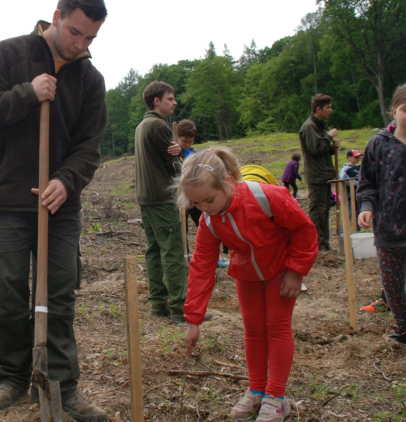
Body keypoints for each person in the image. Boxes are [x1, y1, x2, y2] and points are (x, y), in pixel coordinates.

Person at [0, 0, 108, 421]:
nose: (80, 45)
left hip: (60, 208)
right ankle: (10, 377)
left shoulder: (89, 79)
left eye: (91, 39)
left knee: (60, 295)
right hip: (5, 201)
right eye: (76, 33)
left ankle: (63, 387)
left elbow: (89, 147)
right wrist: (27, 93)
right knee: (5, 293)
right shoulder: (8, 55)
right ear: (57, 16)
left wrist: (66, 181)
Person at [179, 147, 317, 422]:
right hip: (247, 273)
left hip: (280, 269)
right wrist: (193, 319)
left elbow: (304, 230)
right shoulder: (209, 220)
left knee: (277, 328)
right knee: (253, 330)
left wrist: (296, 270)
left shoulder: (268, 197)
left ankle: (277, 397)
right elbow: (202, 267)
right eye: (198, 204)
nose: (205, 208)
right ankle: (256, 389)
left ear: (227, 183)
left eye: (209, 200)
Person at [357, 81, 406, 346]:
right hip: (388, 228)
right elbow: (367, 183)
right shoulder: (378, 143)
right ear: (394, 110)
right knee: (392, 285)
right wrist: (366, 208)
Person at [135, 82, 198, 323]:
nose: (175, 102)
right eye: (170, 98)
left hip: (147, 198)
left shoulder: (142, 126)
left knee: (153, 249)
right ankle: (179, 307)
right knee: (172, 250)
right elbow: (172, 166)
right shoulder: (159, 127)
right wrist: (183, 167)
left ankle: (158, 304)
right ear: (156, 101)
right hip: (162, 198)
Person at [299, 94, 340, 252]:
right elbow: (315, 149)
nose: (331, 110)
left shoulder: (319, 126)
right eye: (328, 107)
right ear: (318, 109)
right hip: (316, 176)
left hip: (324, 174)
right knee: (318, 209)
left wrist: (331, 148)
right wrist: (330, 136)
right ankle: (316, 245)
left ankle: (324, 243)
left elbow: (322, 150)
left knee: (324, 209)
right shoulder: (309, 127)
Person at [168, 119, 201, 227]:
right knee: (182, 226)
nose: (187, 144)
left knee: (201, 222)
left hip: (196, 195)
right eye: (184, 141)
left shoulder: (195, 153)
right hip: (180, 196)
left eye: (190, 141)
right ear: (177, 137)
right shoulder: (173, 154)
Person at [339, 149, 362, 233]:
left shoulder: (359, 167)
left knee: (358, 213)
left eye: (358, 157)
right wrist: (356, 183)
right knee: (348, 214)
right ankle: (343, 232)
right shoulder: (346, 168)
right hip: (349, 194)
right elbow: (343, 178)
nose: (357, 158)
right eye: (355, 157)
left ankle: (358, 231)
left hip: (358, 194)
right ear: (349, 158)